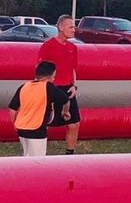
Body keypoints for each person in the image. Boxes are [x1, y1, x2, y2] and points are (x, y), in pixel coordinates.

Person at [37, 15, 82, 154]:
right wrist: (45, 89)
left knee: (74, 124)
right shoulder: (48, 46)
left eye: (74, 27)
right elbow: (41, 70)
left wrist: (74, 86)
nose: (74, 30)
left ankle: (70, 153)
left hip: (67, 89)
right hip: (52, 88)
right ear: (61, 28)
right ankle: (39, 152)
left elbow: (73, 69)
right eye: (70, 27)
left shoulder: (73, 48)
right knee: (46, 122)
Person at [9, 60, 72, 156]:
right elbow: (66, 100)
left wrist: (15, 124)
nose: (54, 79)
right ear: (49, 77)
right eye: (54, 76)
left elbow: (12, 108)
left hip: (21, 128)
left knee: (27, 155)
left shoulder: (24, 86)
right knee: (38, 160)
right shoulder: (48, 87)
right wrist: (65, 111)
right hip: (36, 128)